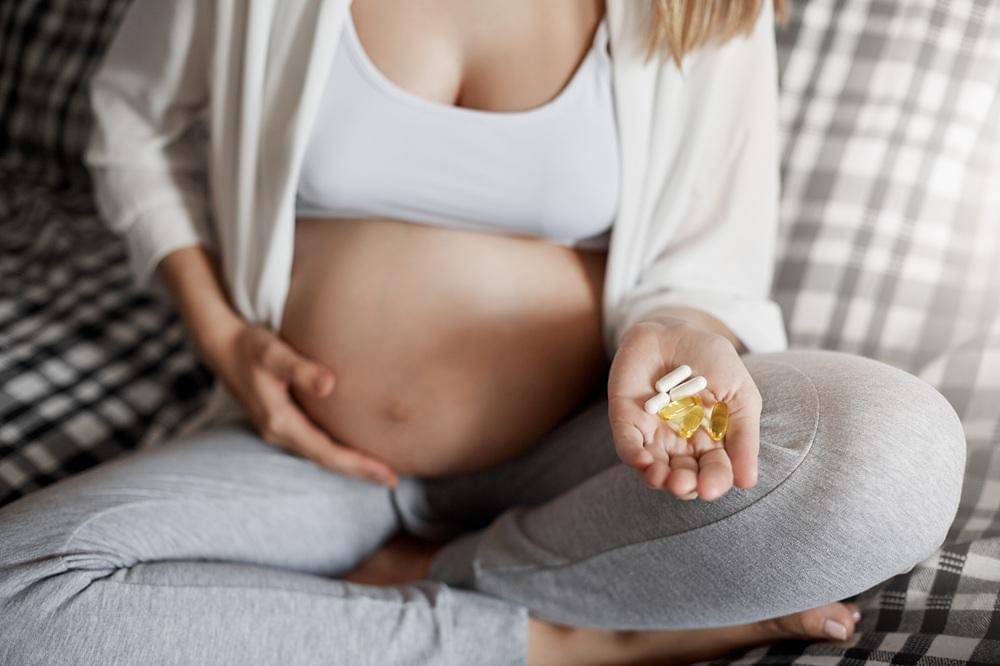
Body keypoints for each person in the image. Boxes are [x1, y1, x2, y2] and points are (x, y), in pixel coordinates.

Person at [0, 0, 967, 664]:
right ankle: (574, 640)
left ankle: (446, 573)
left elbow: (699, 267)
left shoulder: (694, 4)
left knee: (895, 453)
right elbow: (133, 120)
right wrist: (222, 336)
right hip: (312, 454)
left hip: (589, 458)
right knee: (18, 600)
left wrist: (679, 344)